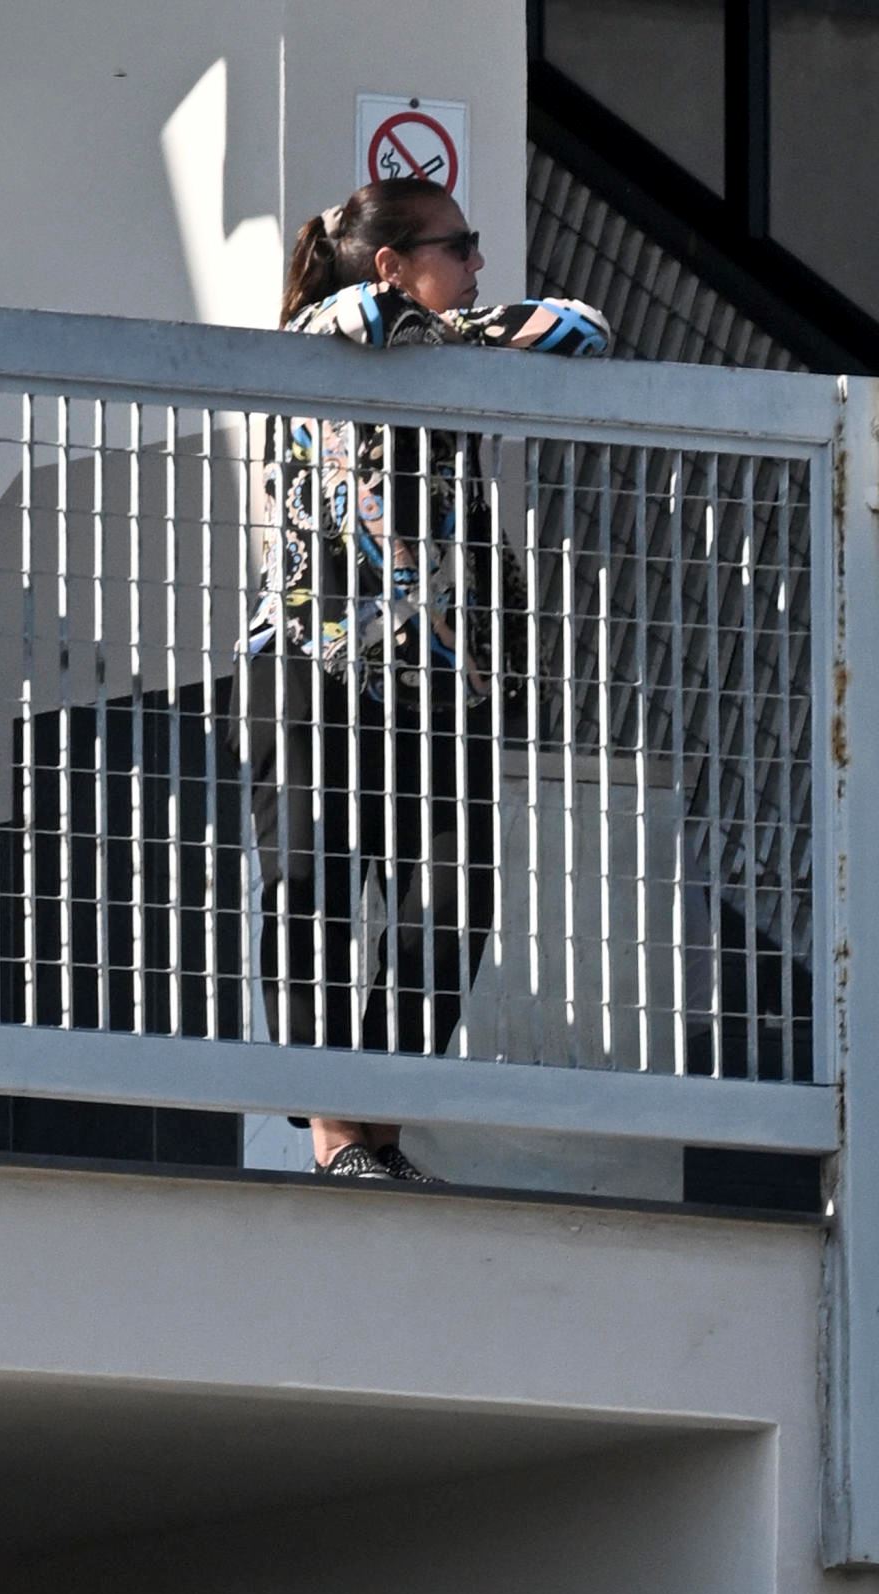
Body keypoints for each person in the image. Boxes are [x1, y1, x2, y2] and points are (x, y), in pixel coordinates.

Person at [248, 180, 610, 1182]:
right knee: (311, 891)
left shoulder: (434, 338)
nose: (478, 265)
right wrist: (454, 332)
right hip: (316, 660)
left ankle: (381, 1130)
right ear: (388, 262)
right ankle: (335, 1142)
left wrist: (453, 329)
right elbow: (363, 318)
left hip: (445, 678)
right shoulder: (323, 327)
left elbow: (583, 329)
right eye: (460, 246)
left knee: (448, 908)